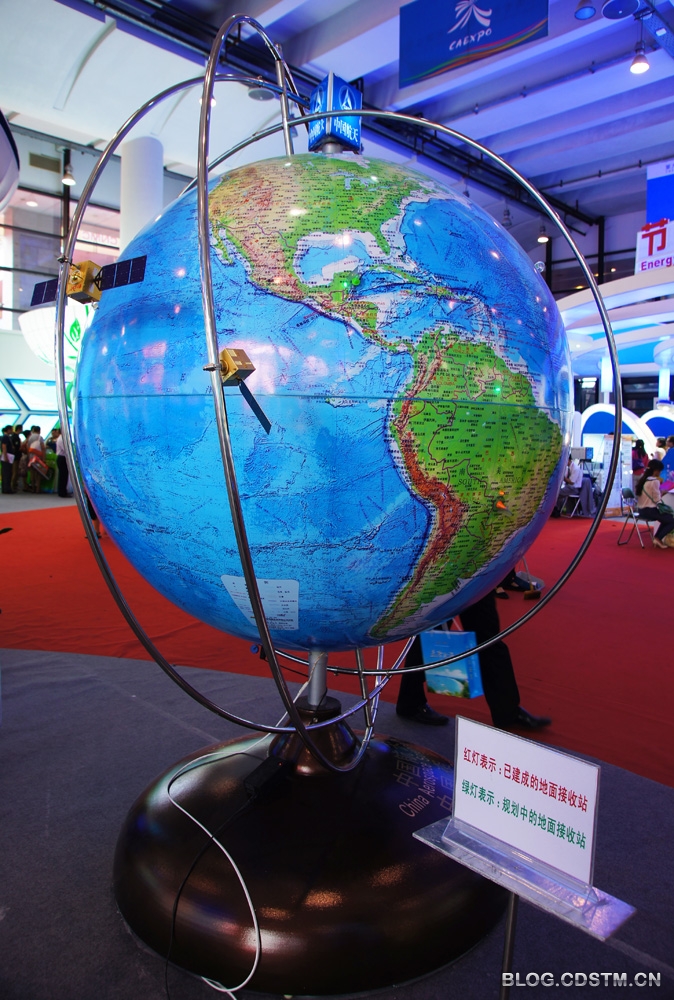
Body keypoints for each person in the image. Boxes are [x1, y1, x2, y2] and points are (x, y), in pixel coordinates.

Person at [396, 589, 551, 731]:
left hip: (478, 575)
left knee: (489, 638)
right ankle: (410, 702)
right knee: (430, 636)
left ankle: (507, 711)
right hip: (444, 577)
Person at [635, 459, 674, 549]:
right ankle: (657, 538)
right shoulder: (654, 481)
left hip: (641, 510)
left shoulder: (643, 479)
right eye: (660, 470)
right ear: (656, 470)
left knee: (667, 518)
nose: (660, 472)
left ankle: (657, 538)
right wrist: (662, 493)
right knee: (671, 520)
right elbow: (657, 499)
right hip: (650, 510)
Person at [53, 427, 70, 497]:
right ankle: (62, 492)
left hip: (62, 458)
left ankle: (63, 491)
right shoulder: (61, 439)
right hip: (62, 458)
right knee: (63, 476)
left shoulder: (61, 438)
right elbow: (65, 449)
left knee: (63, 475)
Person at [1, 425, 14, 494]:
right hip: (7, 456)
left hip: (9, 456)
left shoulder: (7, 437)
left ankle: (6, 488)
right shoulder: (5, 437)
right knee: (6, 473)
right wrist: (5, 456)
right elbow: (4, 446)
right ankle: (6, 488)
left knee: (8, 472)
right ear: (8, 430)